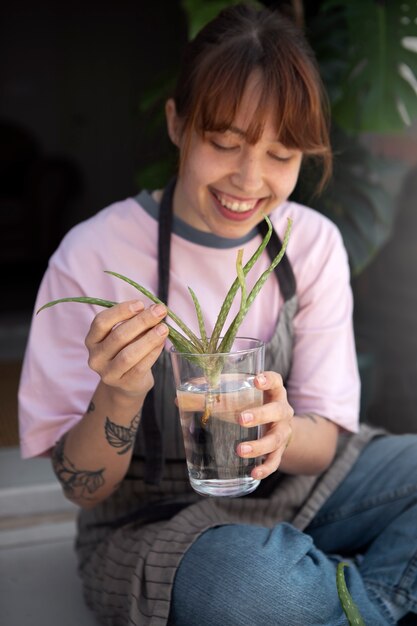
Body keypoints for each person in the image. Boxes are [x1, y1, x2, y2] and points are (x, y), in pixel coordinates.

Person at [18, 4, 417, 625]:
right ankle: (330, 589)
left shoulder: (309, 243)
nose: (249, 181)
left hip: (304, 493)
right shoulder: (93, 255)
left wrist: (283, 432)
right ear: (178, 125)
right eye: (225, 143)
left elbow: (326, 443)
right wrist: (119, 396)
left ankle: (340, 599)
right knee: (253, 588)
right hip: (152, 526)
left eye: (282, 156)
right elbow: (82, 486)